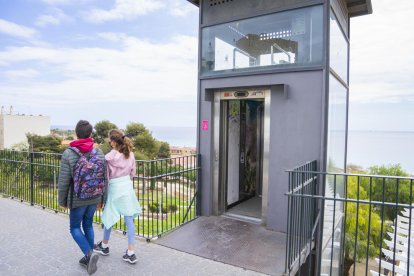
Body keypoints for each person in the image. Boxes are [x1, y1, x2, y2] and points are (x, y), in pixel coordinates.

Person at [58, 120, 106, 275]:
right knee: (88, 225)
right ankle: (89, 257)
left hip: (77, 198)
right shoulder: (98, 153)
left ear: (76, 134)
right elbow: (104, 177)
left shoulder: (69, 153)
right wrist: (102, 199)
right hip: (94, 196)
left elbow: (64, 180)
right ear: (90, 134)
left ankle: (89, 254)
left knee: (74, 228)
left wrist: (62, 200)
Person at [94, 129, 141, 264]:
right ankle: (131, 252)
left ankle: (104, 246)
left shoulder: (109, 156)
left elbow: (104, 173)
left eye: (110, 140)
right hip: (126, 186)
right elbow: (133, 173)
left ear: (114, 142)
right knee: (129, 218)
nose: (109, 142)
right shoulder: (130, 154)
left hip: (114, 187)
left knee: (109, 214)